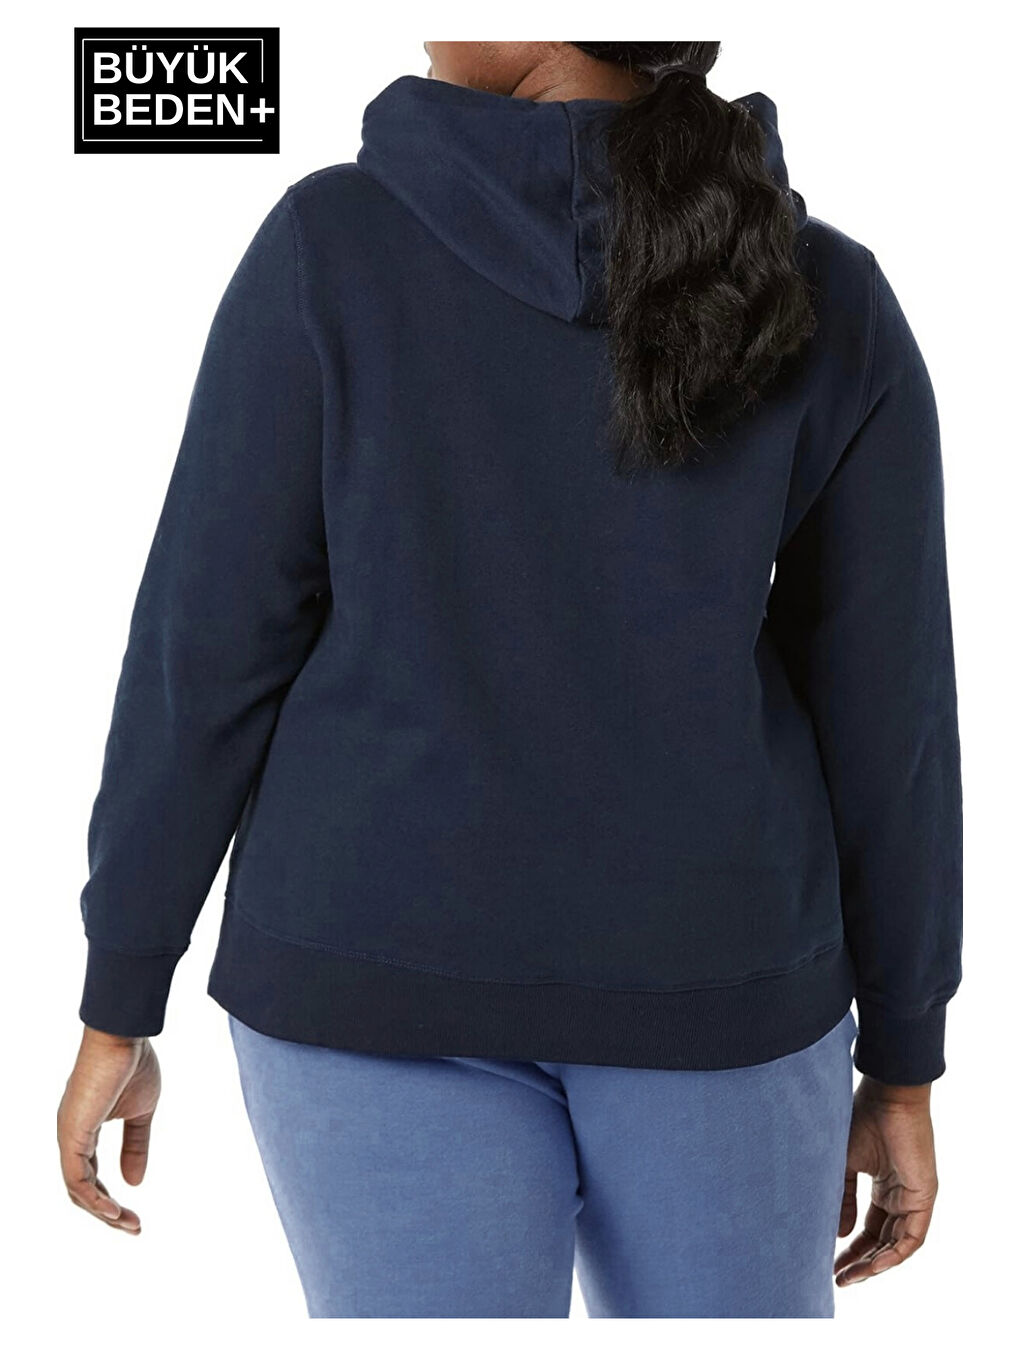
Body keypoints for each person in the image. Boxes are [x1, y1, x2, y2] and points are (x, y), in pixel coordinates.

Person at [56, 41, 963, 1318]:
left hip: (366, 964)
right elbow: (891, 714)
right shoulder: (825, 286)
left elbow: (203, 654)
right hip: (718, 979)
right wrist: (906, 1053)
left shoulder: (332, 247)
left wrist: (121, 993)